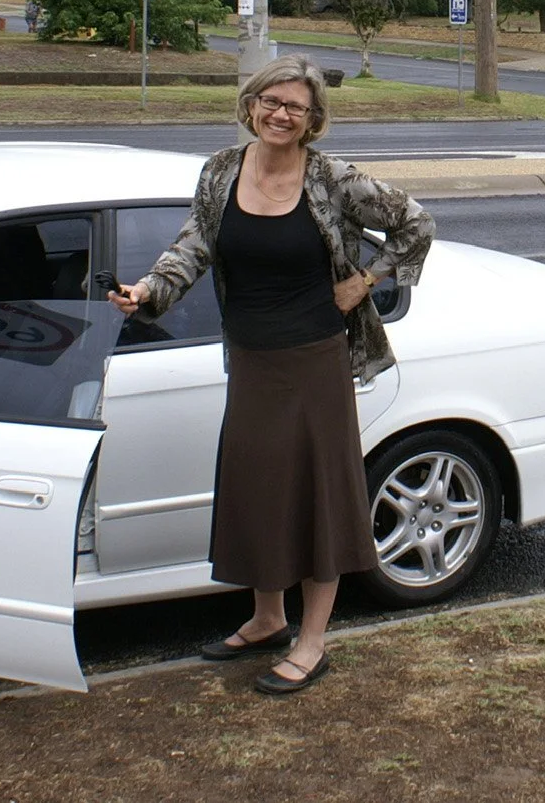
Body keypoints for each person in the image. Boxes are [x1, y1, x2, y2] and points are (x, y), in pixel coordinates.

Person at [108, 53, 432, 695]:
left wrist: (364, 281)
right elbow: (195, 244)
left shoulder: (334, 180)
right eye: (271, 102)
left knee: (317, 498)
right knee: (258, 489)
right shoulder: (222, 170)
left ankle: (312, 641)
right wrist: (148, 291)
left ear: (313, 122)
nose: (281, 114)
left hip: (314, 358)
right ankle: (266, 618)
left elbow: (416, 223)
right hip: (249, 357)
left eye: (297, 108)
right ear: (251, 105)